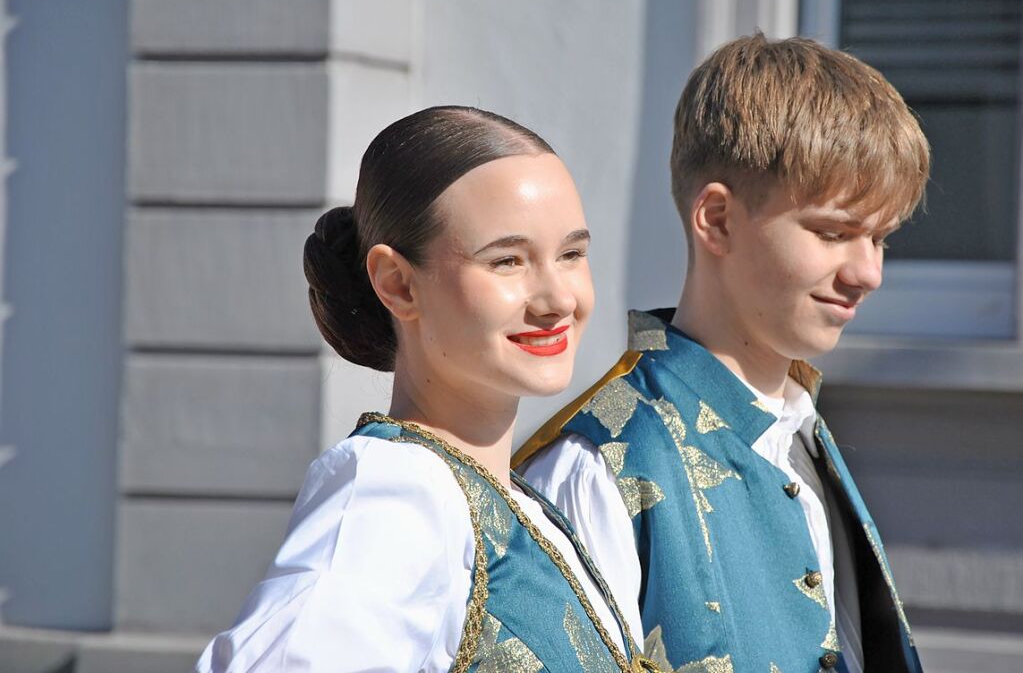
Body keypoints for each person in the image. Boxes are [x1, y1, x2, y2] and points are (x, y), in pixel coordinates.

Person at [516, 34, 930, 673]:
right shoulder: (595, 470)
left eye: (880, 238)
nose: (868, 271)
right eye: (834, 232)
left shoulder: (801, 436)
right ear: (716, 219)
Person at [195, 106, 657, 673]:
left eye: (571, 254)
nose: (558, 299)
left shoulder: (523, 508)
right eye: (507, 260)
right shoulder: (400, 490)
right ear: (398, 284)